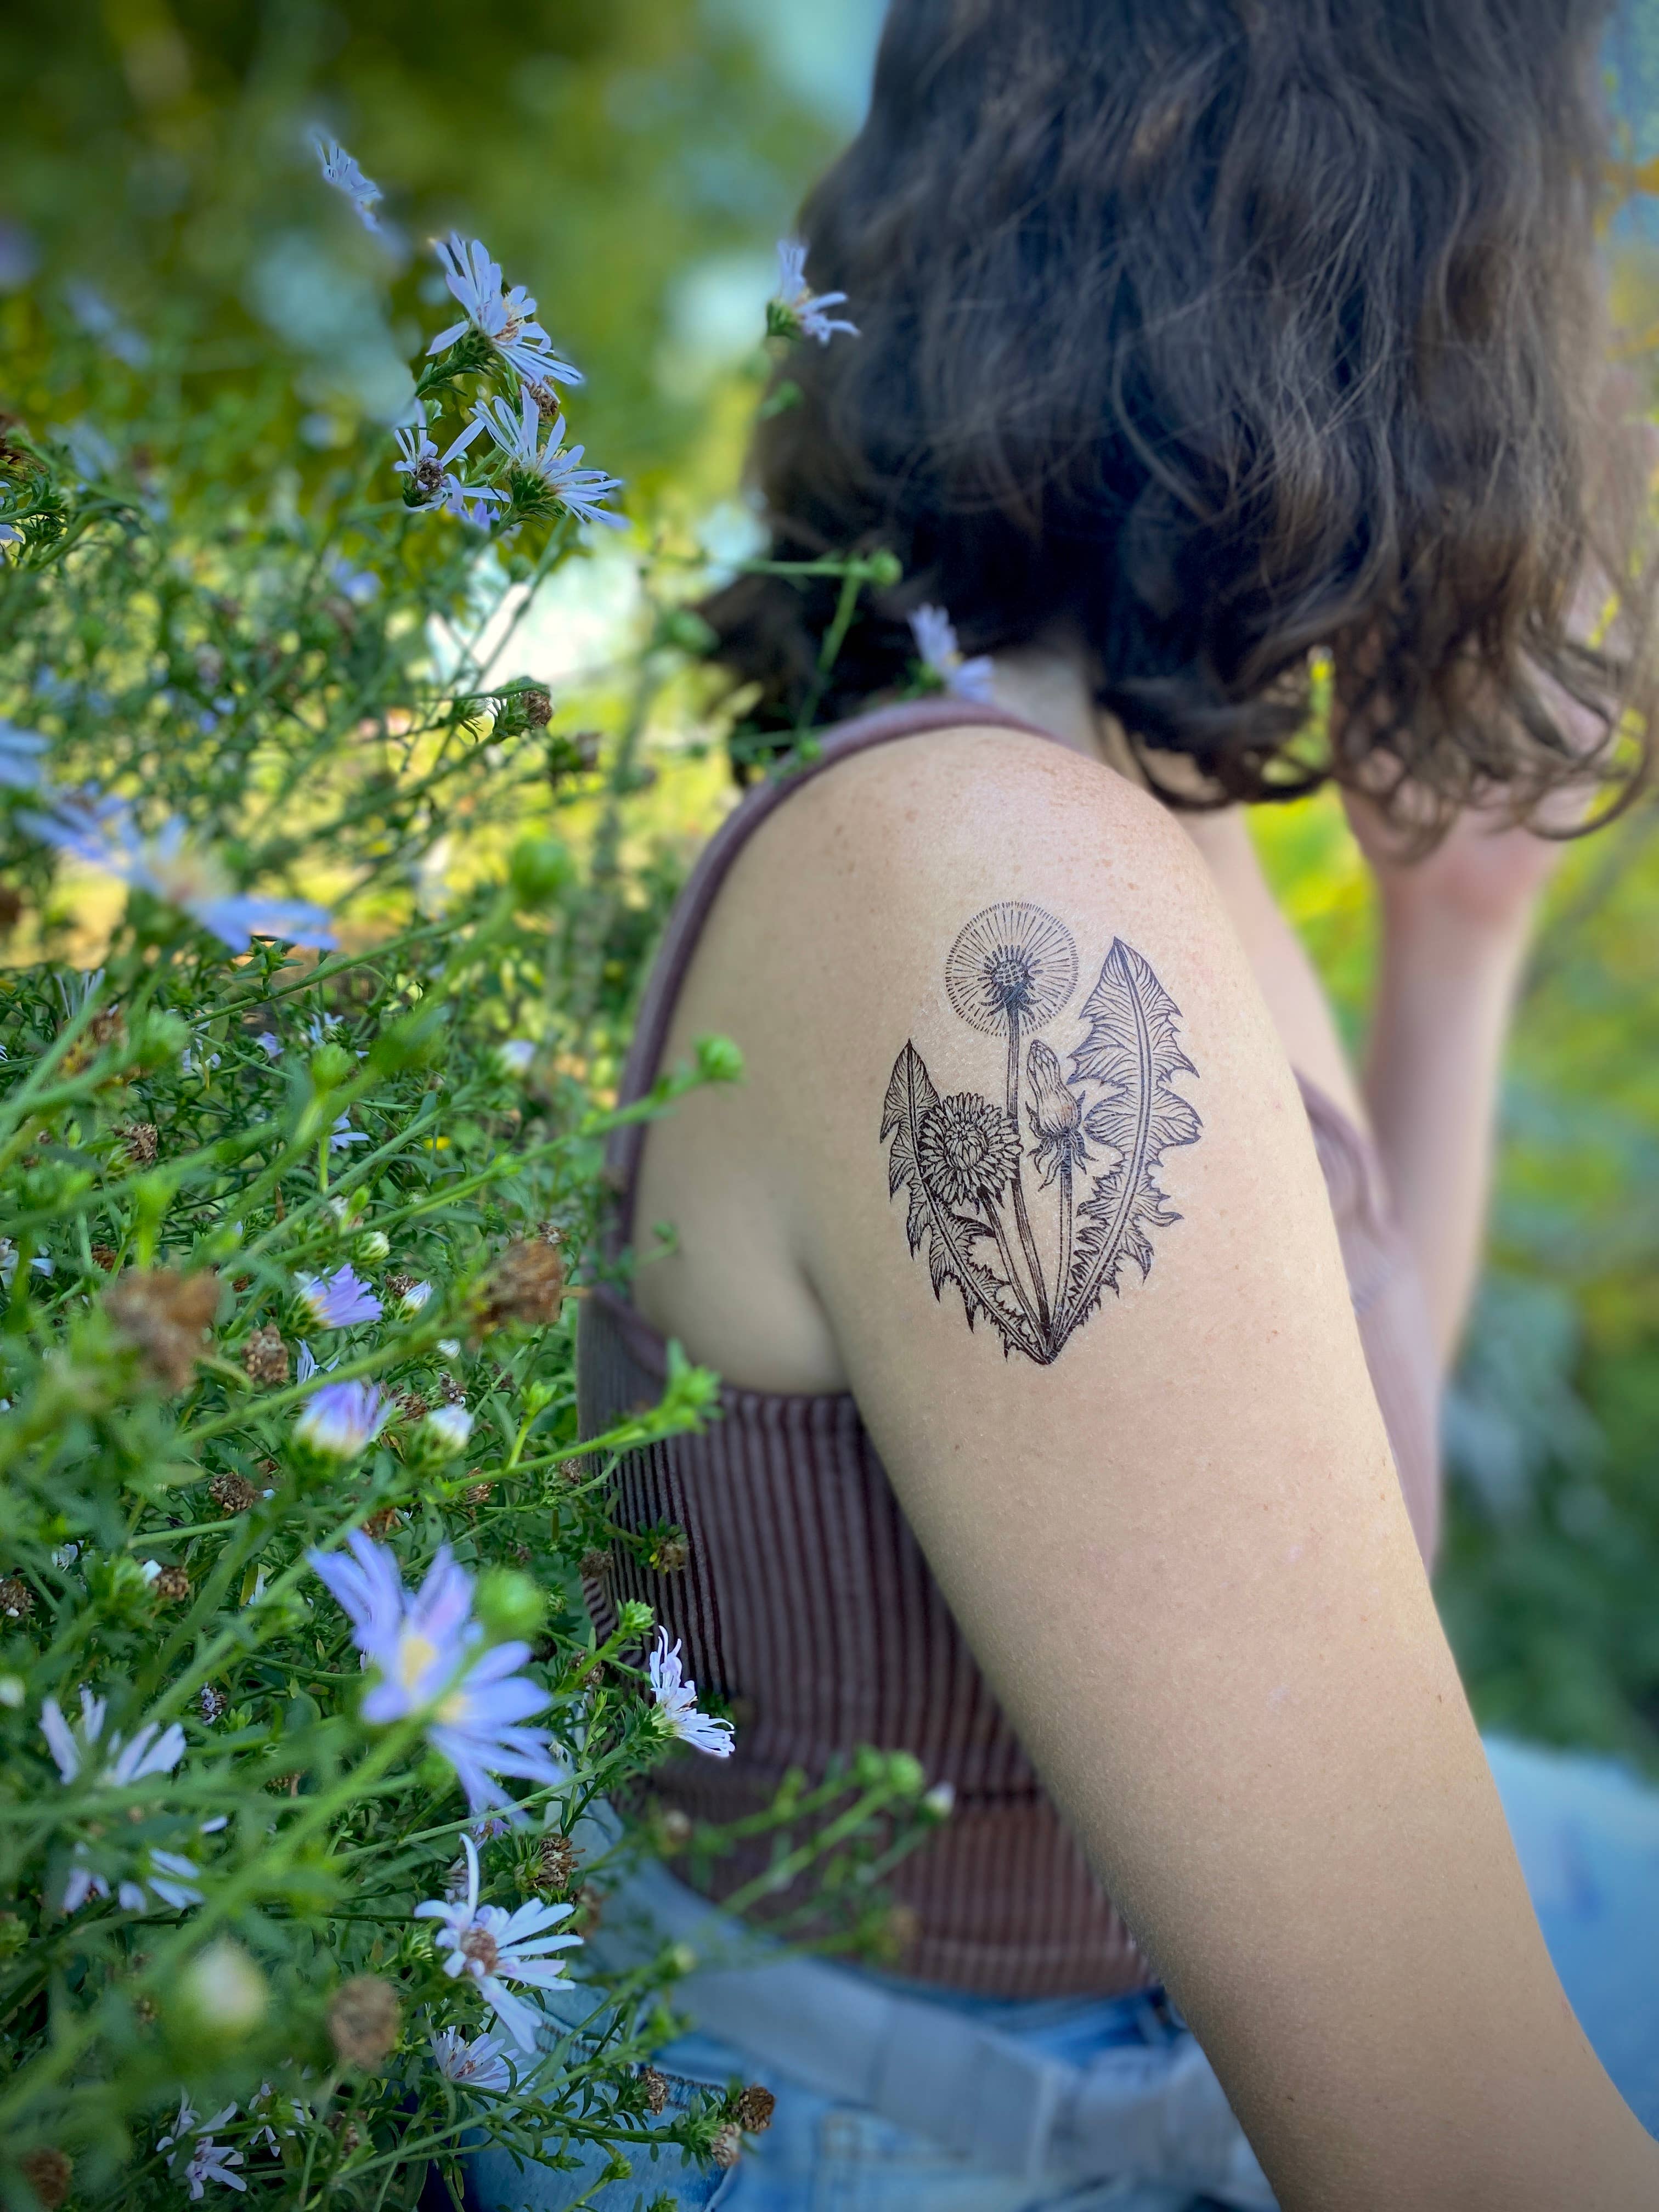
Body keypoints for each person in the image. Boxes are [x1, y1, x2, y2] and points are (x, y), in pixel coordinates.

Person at [472, 3, 1659, 2206]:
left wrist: (1459, 941)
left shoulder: (1127, 802)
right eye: (1556, 251)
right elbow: (1452, 2148)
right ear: (1406, 282)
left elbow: (1333, 1484)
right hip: (918, 2114)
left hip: (1113, 2021)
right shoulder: (994, 877)